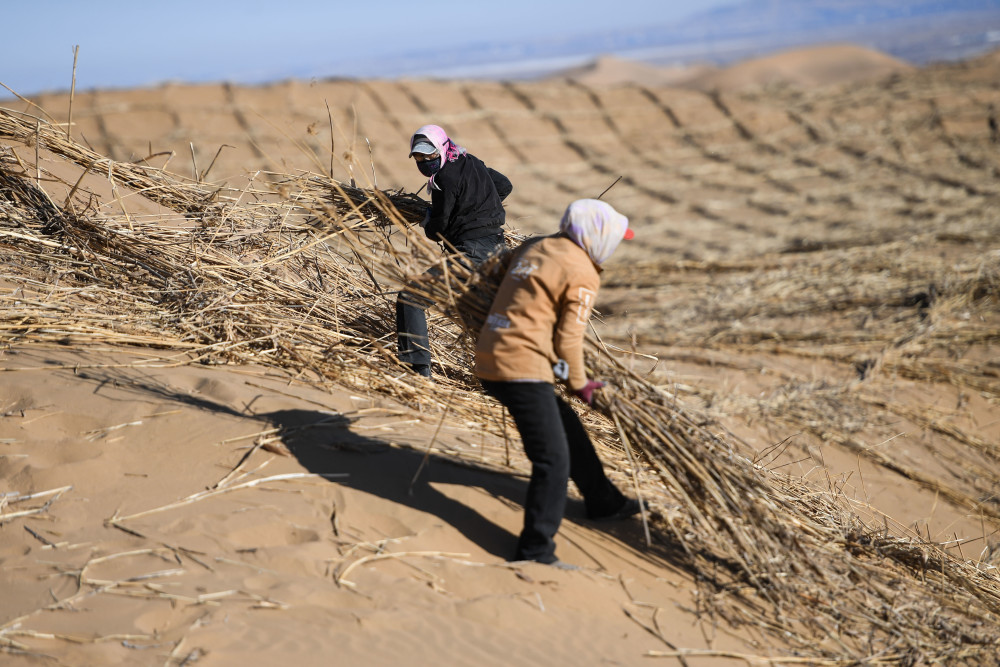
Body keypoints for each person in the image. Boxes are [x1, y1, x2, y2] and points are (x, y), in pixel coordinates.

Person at [474, 198, 639, 568]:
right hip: (520, 366)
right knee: (553, 460)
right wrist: (580, 383)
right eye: (613, 238)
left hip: (491, 355)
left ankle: (604, 502)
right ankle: (535, 551)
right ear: (596, 236)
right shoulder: (582, 270)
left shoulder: (537, 246)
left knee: (568, 429)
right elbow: (568, 339)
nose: (612, 247)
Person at [397, 124, 512, 378]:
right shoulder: (470, 161)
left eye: (429, 155)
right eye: (419, 157)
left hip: (471, 254)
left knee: (411, 298)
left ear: (441, 147)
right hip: (498, 250)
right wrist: (478, 205)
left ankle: (417, 370)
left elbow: (437, 229)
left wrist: (429, 222)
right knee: (476, 317)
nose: (425, 161)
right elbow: (504, 185)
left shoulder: (443, 179)